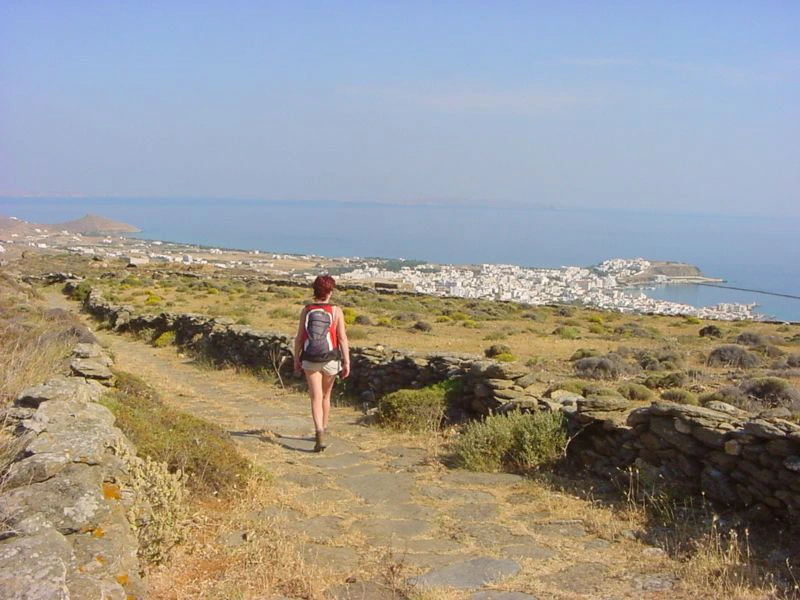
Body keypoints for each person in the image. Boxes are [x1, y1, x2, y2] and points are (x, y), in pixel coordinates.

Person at [293, 274, 350, 452]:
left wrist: (296, 359)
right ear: (330, 291)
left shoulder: (307, 309)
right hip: (331, 359)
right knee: (326, 396)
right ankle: (323, 429)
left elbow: (300, 338)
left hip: (310, 358)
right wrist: (346, 361)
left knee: (315, 397)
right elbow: (342, 338)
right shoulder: (336, 311)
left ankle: (318, 432)